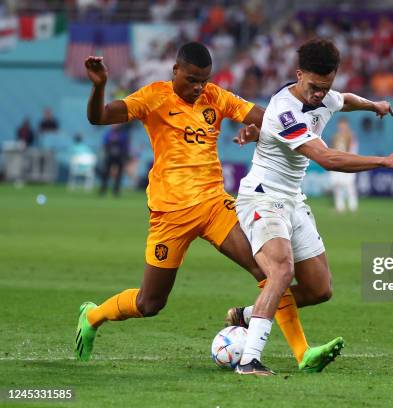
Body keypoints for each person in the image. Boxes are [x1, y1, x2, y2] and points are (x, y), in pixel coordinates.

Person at [74, 42, 274, 362]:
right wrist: (99, 87)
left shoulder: (215, 97)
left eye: (203, 80)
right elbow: (99, 117)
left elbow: (264, 117)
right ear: (175, 71)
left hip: (213, 204)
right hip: (170, 213)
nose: (198, 87)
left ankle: (302, 352)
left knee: (267, 269)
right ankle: (93, 316)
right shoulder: (153, 97)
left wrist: (287, 126)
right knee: (149, 303)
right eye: (192, 79)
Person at [228, 39, 393, 375]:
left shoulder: (326, 95)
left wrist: (374, 105)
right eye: (313, 86)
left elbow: (344, 100)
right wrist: (383, 161)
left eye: (324, 87)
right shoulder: (284, 110)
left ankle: (247, 314)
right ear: (298, 74)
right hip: (262, 197)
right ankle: (249, 360)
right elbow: (326, 158)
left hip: (293, 201)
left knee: (320, 289)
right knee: (282, 271)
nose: (318, 94)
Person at [329, 117, 359, 213]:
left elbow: (353, 150)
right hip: (337, 163)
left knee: (349, 184)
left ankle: (353, 206)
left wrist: (351, 162)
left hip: (348, 162)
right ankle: (339, 206)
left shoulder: (351, 136)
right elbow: (331, 150)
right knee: (337, 185)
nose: (342, 126)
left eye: (343, 124)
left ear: (347, 125)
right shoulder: (335, 136)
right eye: (340, 124)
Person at [99, 123, 130, 196]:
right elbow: (105, 143)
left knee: (119, 174)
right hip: (110, 155)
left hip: (120, 156)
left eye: (116, 124)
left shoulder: (123, 134)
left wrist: (125, 156)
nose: (115, 126)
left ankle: (116, 191)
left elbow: (126, 146)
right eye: (114, 124)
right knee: (105, 173)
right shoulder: (109, 133)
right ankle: (103, 189)